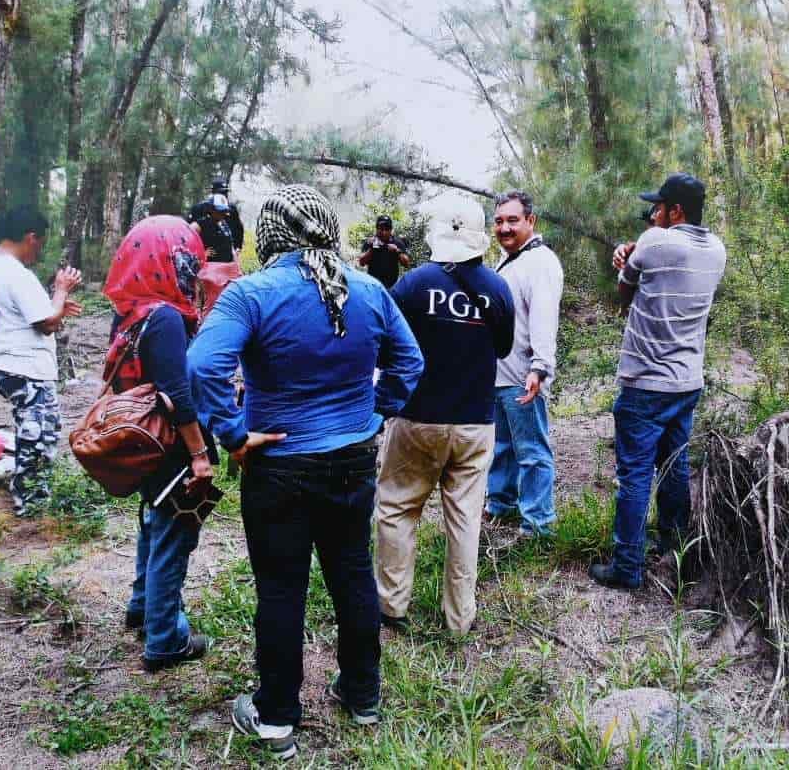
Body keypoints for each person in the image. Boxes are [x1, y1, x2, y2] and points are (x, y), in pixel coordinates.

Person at [188, 185, 423, 758]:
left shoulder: (251, 294)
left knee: (280, 588)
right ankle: (363, 696)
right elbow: (409, 362)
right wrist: (373, 413)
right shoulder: (369, 289)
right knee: (352, 572)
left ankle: (276, 719)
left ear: (269, 233)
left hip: (278, 466)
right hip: (351, 459)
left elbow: (202, 364)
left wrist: (234, 434)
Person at [375, 192, 515, 634]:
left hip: (417, 418)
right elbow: (505, 348)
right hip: (475, 422)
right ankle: (459, 617)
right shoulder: (497, 288)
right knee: (465, 519)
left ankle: (392, 606)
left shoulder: (413, 284)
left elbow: (384, 344)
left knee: (398, 509)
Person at [590, 173, 726, 591]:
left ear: (675, 211)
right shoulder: (717, 249)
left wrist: (628, 255)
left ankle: (627, 567)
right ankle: (676, 552)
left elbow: (623, 293)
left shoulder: (653, 241)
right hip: (687, 382)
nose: (653, 214)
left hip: (645, 384)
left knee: (634, 476)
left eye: (658, 208)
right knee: (675, 468)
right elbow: (665, 271)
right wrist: (638, 250)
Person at [102, 215, 217, 670]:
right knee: (174, 536)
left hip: (144, 444)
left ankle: (141, 607)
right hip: (172, 447)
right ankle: (166, 638)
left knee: (153, 525)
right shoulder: (166, 317)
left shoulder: (128, 313)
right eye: (186, 257)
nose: (193, 266)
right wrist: (200, 454)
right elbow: (177, 395)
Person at [0, 207, 82, 516]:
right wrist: (60, 292)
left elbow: (15, 309)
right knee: (39, 434)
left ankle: (29, 492)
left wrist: (53, 305)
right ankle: (30, 502)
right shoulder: (18, 274)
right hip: (26, 365)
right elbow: (45, 322)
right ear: (31, 238)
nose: (39, 251)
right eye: (41, 243)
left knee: (30, 426)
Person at [485, 190, 563, 538]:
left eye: (513, 220)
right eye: (499, 221)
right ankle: (500, 505)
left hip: (524, 376)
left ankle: (538, 524)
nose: (504, 227)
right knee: (502, 447)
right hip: (500, 375)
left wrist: (540, 368)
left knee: (531, 451)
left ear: (531, 221)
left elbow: (544, 318)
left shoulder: (540, 261)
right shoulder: (509, 260)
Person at [359, 214, 410, 288]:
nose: (384, 232)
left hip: (391, 286)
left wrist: (397, 251)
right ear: (376, 229)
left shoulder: (397, 242)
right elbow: (361, 262)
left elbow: (406, 264)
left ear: (391, 230)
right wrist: (372, 250)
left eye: (387, 229)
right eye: (381, 229)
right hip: (373, 285)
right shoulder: (370, 242)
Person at [187, 193, 235, 263]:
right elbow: (185, 242)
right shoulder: (201, 224)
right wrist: (202, 254)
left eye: (224, 211)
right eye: (220, 211)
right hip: (210, 268)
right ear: (211, 209)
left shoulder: (224, 224)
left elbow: (230, 245)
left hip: (226, 268)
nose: (223, 214)